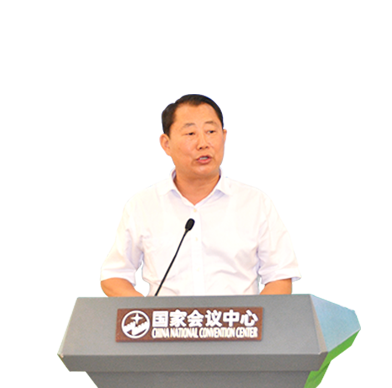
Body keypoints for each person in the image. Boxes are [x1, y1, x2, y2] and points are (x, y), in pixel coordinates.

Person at [101, 95, 300, 297]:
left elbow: (279, 276)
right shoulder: (143, 206)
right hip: (169, 318)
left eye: (211, 132)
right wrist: (147, 313)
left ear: (224, 136)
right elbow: (115, 276)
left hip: (236, 318)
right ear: (166, 143)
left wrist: (257, 317)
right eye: (190, 133)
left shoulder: (256, 204)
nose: (203, 143)